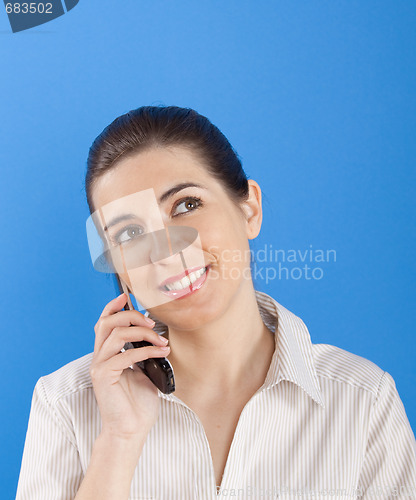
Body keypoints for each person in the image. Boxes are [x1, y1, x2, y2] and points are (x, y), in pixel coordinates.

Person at [16, 106, 416, 500]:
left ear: (249, 210)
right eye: (129, 233)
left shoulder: (363, 400)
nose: (167, 252)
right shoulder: (65, 404)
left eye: (187, 205)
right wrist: (118, 442)